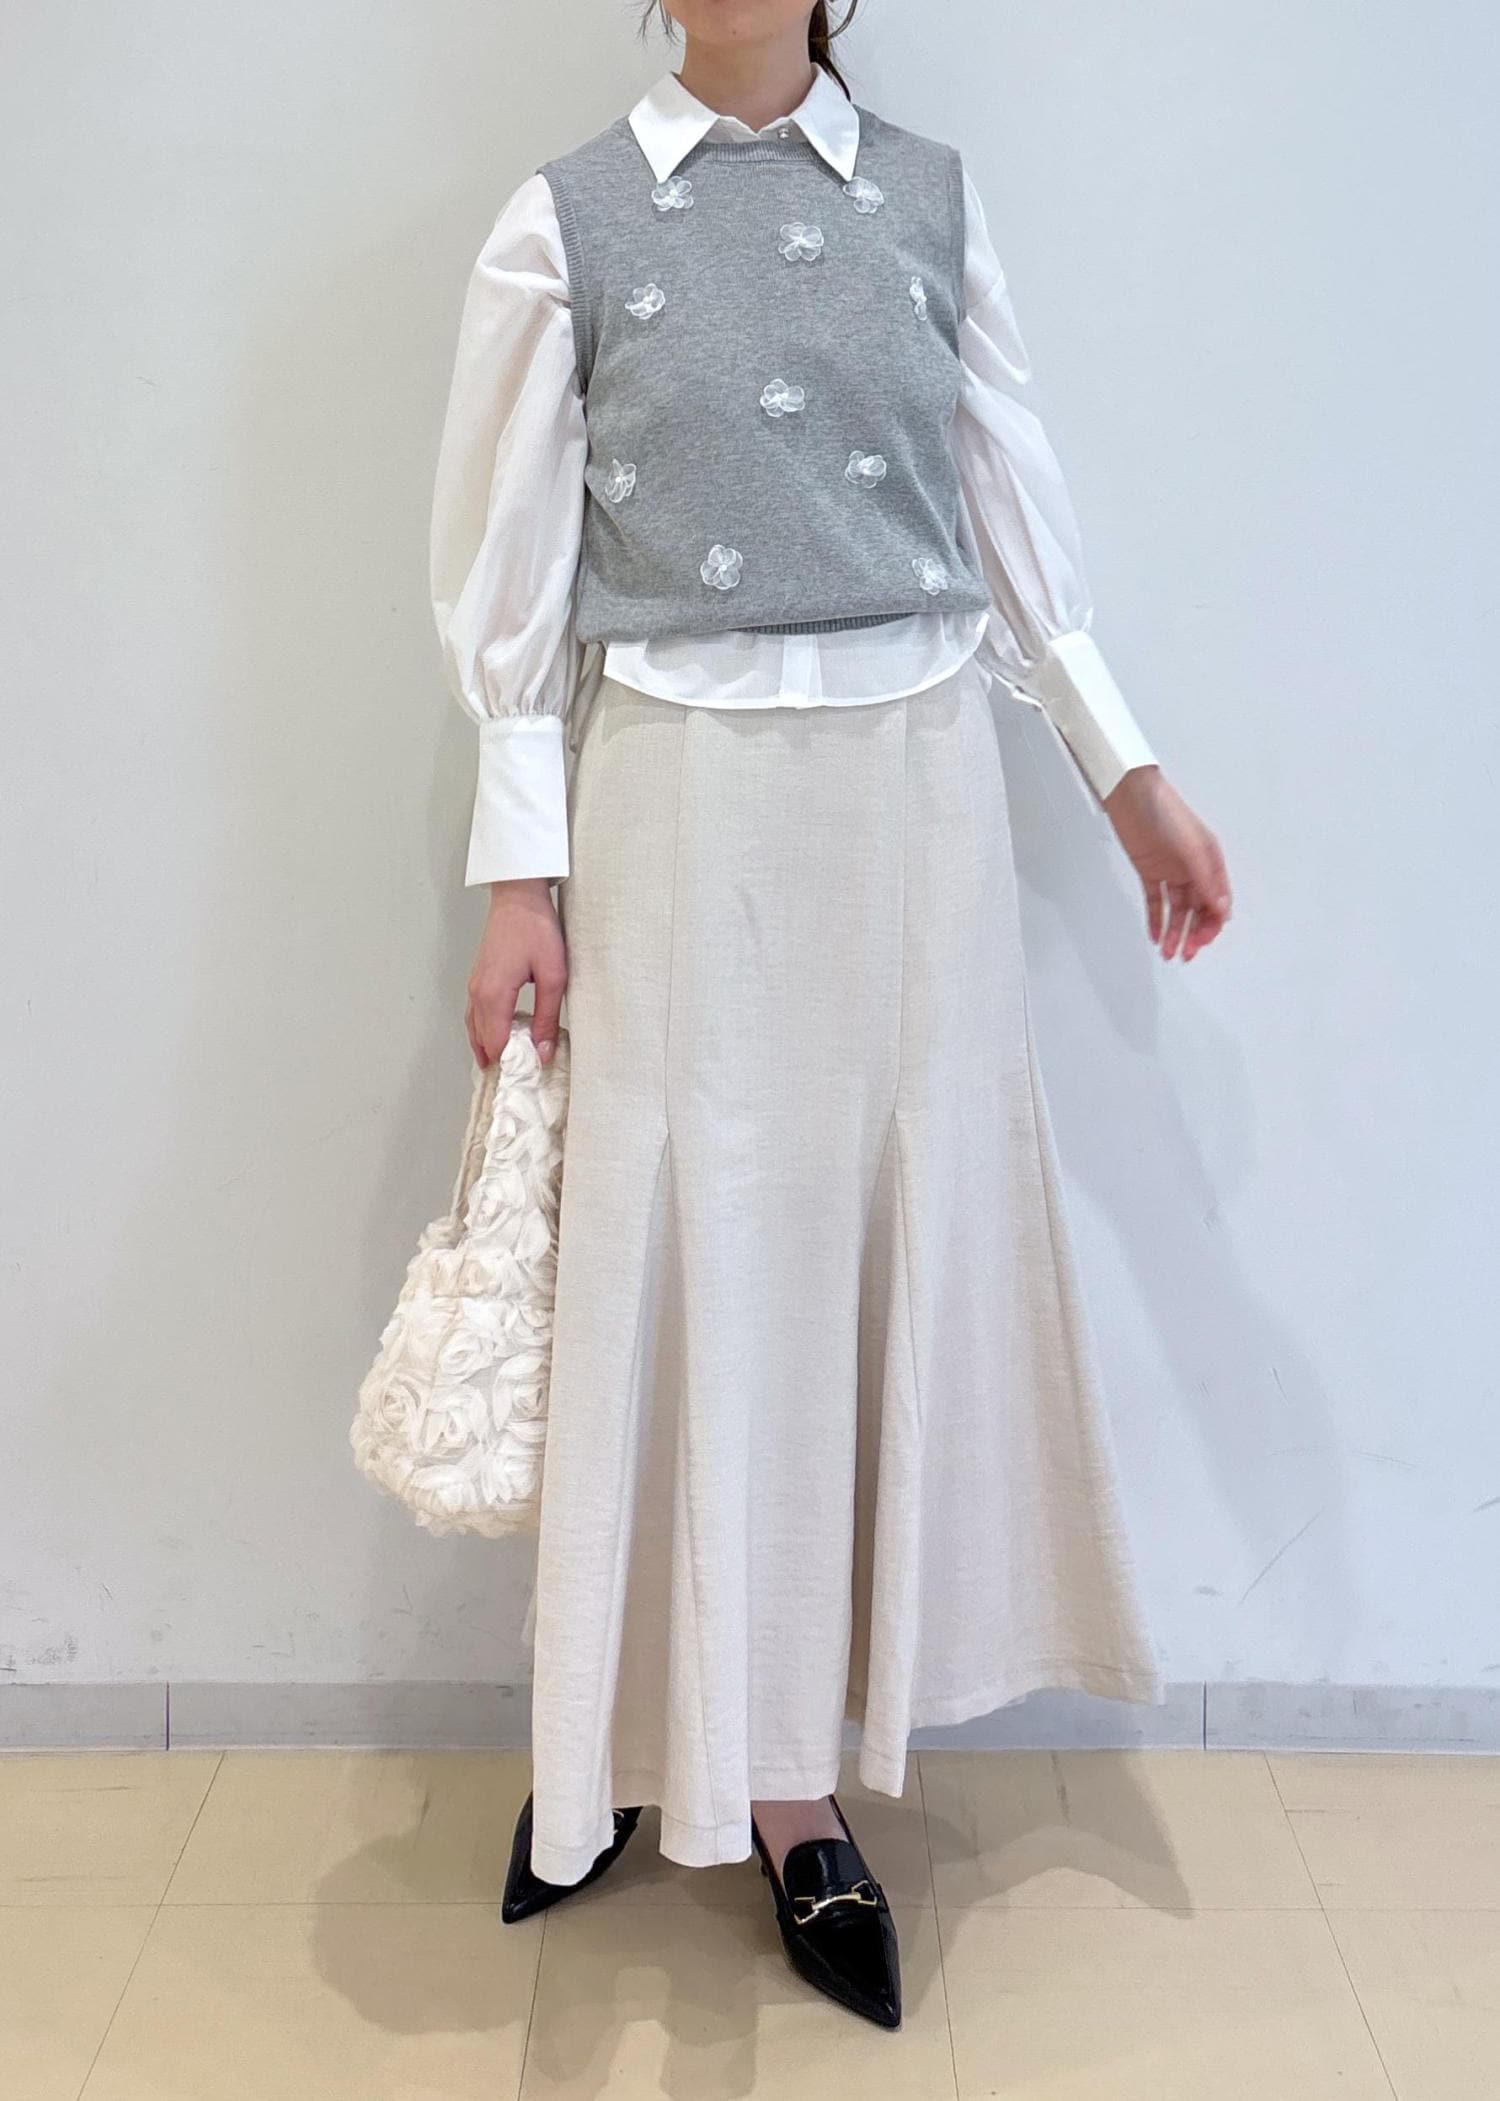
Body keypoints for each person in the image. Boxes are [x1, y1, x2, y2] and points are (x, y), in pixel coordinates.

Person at [428, 0, 1231, 2031]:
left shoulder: (933, 205)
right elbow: (510, 567)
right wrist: (520, 875)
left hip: (911, 795)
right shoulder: (564, 222)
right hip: (673, 792)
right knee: (665, 1261)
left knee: (851, 1266)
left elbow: (1011, 510)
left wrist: (1128, 773)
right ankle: (610, 1745)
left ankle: (794, 1784)